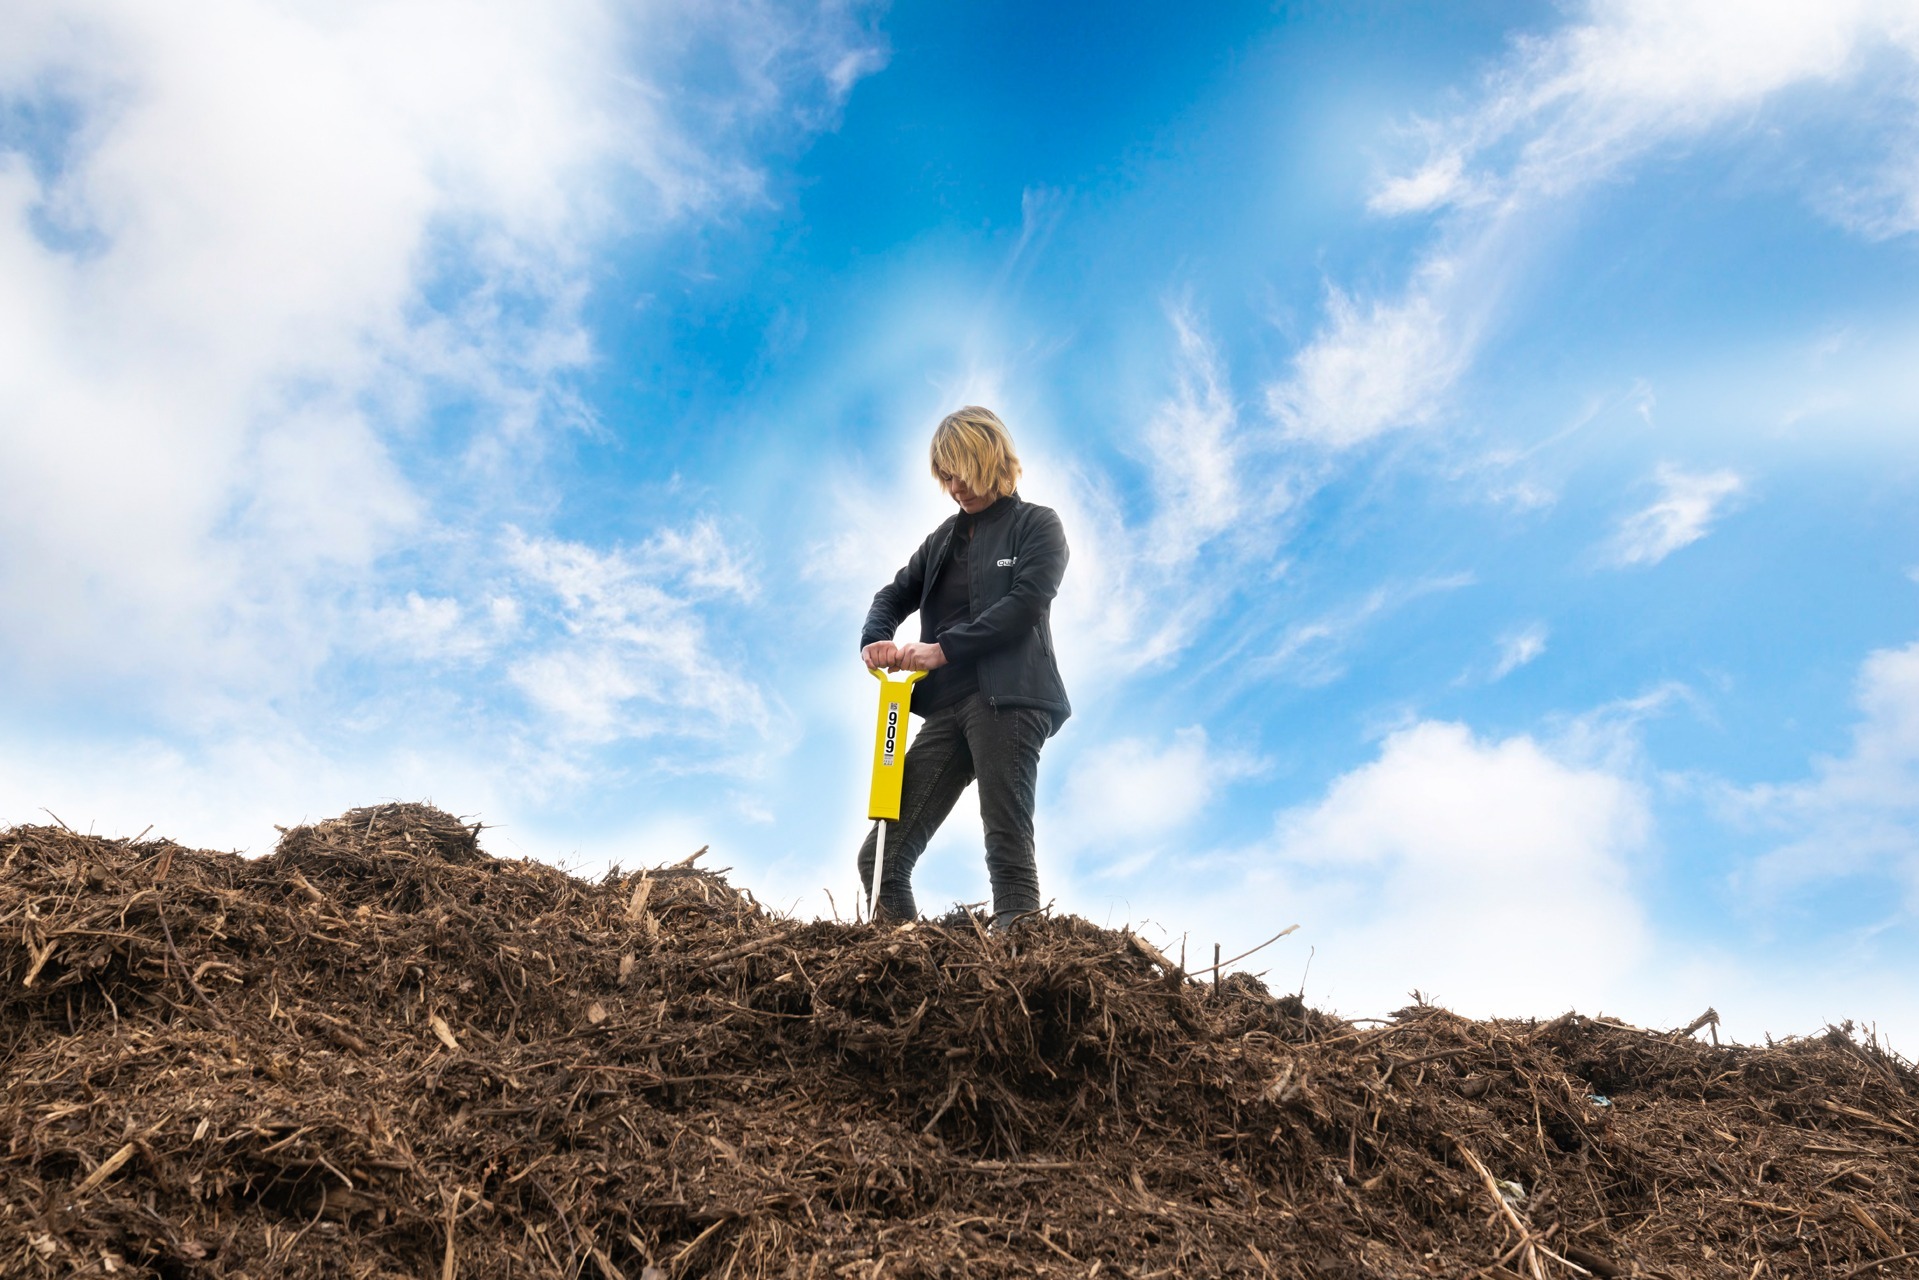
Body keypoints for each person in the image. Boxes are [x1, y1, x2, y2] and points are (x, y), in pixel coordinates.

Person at [857, 406, 1070, 931]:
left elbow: (1025, 604)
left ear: (990, 456)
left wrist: (941, 649)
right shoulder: (941, 542)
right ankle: (910, 974)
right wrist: (876, 639)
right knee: (880, 859)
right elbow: (892, 593)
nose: (955, 486)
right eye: (945, 477)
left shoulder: (1038, 526)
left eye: (962, 471)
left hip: (1010, 701)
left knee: (1009, 859)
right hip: (946, 708)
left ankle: (1021, 988)